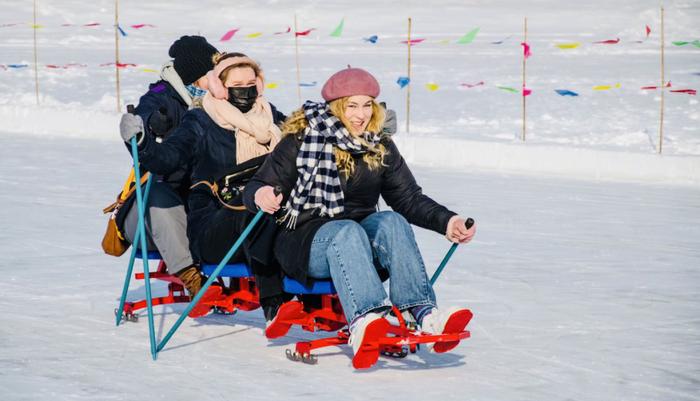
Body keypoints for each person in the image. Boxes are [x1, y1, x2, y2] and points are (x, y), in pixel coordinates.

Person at [244, 67, 476, 359]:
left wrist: (449, 221)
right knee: (347, 231)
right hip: (304, 243)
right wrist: (262, 194)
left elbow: (408, 198)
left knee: (391, 220)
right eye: (352, 105)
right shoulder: (303, 139)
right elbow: (257, 185)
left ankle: (423, 313)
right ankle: (366, 318)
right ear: (336, 106)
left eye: (367, 105)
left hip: (358, 247)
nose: (361, 114)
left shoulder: (378, 144)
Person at [120, 52, 286, 318]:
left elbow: (301, 141)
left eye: (250, 84)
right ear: (220, 87)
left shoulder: (270, 117)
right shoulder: (199, 120)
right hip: (213, 214)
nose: (245, 91)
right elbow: (167, 158)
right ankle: (273, 301)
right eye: (237, 86)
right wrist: (141, 140)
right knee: (257, 217)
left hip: (256, 204)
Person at [117, 35, 219, 304]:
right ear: (196, 76)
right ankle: (192, 277)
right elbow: (144, 120)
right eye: (213, 74)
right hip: (147, 216)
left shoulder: (215, 102)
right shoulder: (161, 97)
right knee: (159, 195)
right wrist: (148, 128)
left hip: (193, 208)